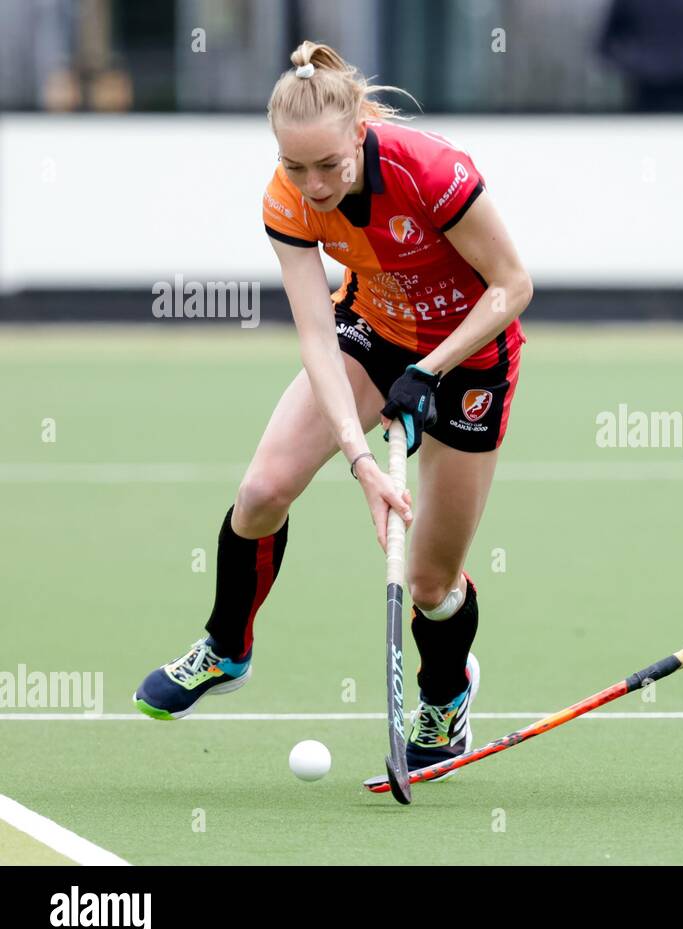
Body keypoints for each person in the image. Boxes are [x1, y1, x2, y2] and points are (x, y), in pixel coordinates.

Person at [133, 41, 532, 776]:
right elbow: (318, 337)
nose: (313, 185)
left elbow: (512, 285)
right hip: (371, 331)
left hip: (472, 355)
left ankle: (446, 700)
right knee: (260, 493)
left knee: (432, 585)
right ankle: (227, 647)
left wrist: (430, 370)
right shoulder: (286, 200)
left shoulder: (431, 174)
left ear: (358, 134)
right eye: (294, 166)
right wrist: (358, 458)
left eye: (328, 166)